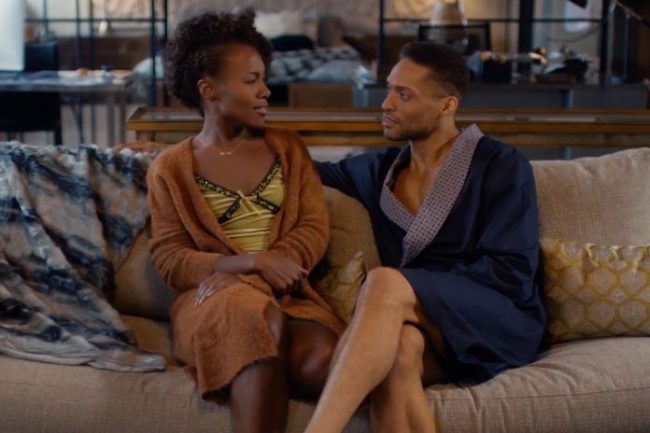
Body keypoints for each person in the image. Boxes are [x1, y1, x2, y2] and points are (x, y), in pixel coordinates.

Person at [305, 42, 547, 433]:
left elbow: (513, 273)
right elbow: (302, 168)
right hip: (423, 329)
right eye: (389, 89)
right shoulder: (378, 171)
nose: (386, 103)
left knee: (385, 282)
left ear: (447, 106)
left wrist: (411, 289)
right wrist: (240, 132)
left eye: (404, 95)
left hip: (495, 322)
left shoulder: (501, 165)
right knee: (399, 352)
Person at [146, 12, 345, 433]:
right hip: (212, 300)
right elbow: (169, 258)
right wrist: (249, 263)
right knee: (254, 320)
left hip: (290, 297)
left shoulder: (289, 149)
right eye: (251, 80)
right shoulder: (170, 168)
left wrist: (267, 269)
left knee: (317, 362)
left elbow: (313, 228)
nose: (265, 91)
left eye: (263, 79)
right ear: (208, 90)